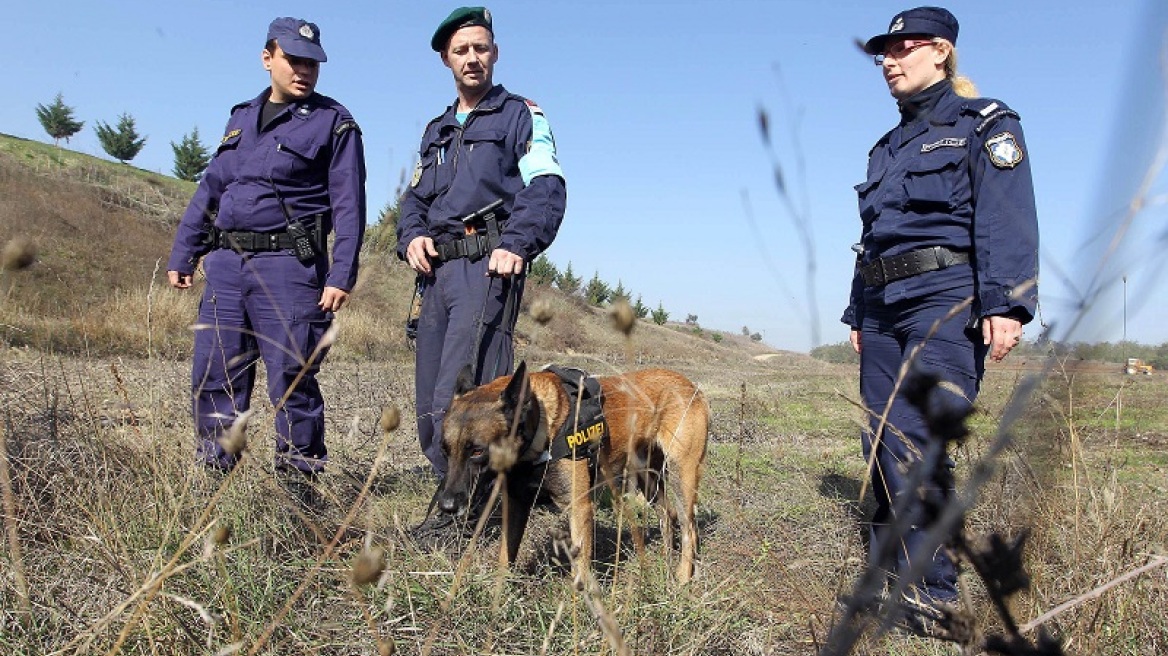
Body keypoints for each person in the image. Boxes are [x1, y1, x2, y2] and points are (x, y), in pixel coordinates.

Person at [842, 6, 1039, 620]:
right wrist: (858, 311)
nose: (889, 61)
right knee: (882, 442)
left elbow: (1005, 214)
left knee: (916, 441)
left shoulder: (986, 123)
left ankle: (933, 598)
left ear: (941, 52)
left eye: (903, 49)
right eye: (884, 52)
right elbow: (875, 234)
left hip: (945, 297)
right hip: (882, 306)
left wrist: (1007, 302)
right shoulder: (886, 147)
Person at [167, 17, 366, 477]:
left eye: (312, 63)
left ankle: (299, 490)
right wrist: (185, 251)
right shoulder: (240, 118)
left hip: (289, 268)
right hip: (226, 266)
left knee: (292, 380)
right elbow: (211, 189)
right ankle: (215, 479)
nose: (304, 70)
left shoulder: (334, 123)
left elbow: (350, 205)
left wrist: (341, 274)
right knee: (215, 376)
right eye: (294, 60)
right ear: (267, 58)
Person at [397, 6, 567, 484]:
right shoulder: (438, 130)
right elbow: (416, 198)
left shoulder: (520, 115)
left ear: (495, 53)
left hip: (487, 268)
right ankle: (451, 488)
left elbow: (546, 183)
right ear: (446, 59)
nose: (472, 58)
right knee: (429, 401)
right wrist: (411, 236)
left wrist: (517, 243)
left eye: (480, 48)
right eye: (461, 50)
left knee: (467, 396)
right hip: (436, 275)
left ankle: (474, 505)